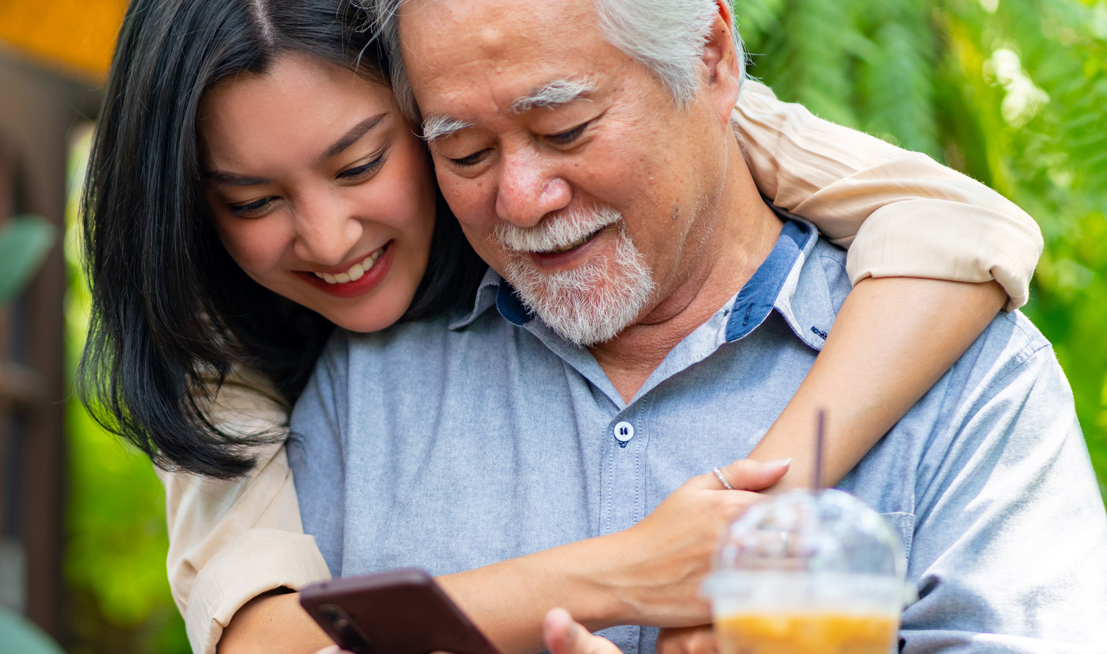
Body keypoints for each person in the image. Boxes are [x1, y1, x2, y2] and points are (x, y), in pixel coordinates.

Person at [81, 1, 1043, 652]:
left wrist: (760, 516)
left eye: (360, 163)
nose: (330, 239)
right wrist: (626, 574)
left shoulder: (655, 96)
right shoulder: (225, 350)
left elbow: (972, 229)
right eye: (252, 200)